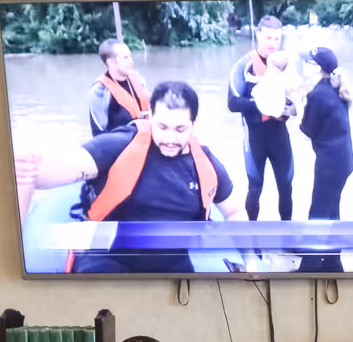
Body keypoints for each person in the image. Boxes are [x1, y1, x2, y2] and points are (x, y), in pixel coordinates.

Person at [15, 80, 242, 275]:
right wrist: (31, 169)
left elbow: (233, 211)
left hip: (171, 262)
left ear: (194, 123)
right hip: (109, 256)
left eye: (180, 129)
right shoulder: (120, 145)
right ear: (150, 116)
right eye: (162, 126)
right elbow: (58, 170)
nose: (170, 138)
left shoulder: (207, 164)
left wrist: (251, 261)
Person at [227, 15, 296, 220]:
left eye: (276, 39)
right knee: (255, 188)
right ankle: (251, 240)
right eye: (268, 38)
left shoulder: (286, 65)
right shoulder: (244, 66)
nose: (272, 44)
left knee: (286, 187)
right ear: (258, 36)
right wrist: (263, 105)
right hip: (255, 137)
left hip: (279, 136)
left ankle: (287, 238)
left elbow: (296, 100)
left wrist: (291, 108)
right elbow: (232, 103)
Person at [294, 46, 353, 275]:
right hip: (343, 160)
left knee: (318, 214)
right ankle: (332, 263)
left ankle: (308, 269)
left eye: (307, 62)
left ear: (317, 68)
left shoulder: (318, 94)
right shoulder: (333, 88)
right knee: (331, 211)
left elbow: (308, 129)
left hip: (331, 164)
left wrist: (299, 103)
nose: (303, 66)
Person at [87, 37, 151, 136]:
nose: (131, 61)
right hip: (121, 148)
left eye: (130, 56)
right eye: (125, 58)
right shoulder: (100, 91)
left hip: (145, 141)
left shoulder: (138, 79)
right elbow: (99, 134)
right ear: (111, 62)